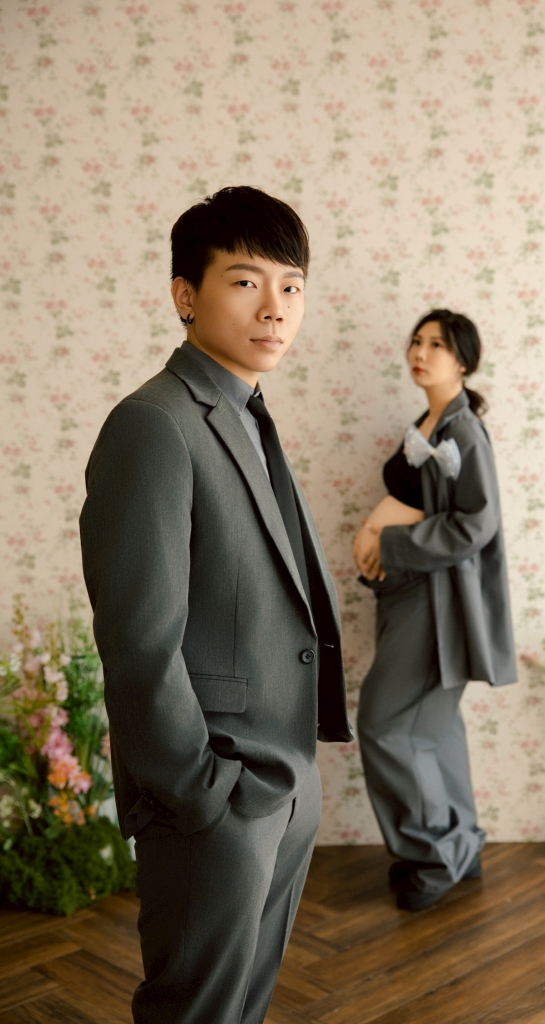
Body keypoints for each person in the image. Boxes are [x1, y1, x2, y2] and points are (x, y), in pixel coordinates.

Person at [80, 186, 352, 1023]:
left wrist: (289, 780)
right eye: (245, 281)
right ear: (185, 295)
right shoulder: (154, 424)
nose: (276, 307)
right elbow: (138, 640)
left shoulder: (244, 412)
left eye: (292, 285)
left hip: (281, 777)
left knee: (241, 1007)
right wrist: (201, 794)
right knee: (196, 1010)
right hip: (217, 794)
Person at [353, 309, 516, 911]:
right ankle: (459, 847)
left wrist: (389, 541)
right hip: (410, 595)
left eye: (438, 345)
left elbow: (477, 523)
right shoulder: (427, 423)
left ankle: (430, 857)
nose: (421, 353)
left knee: (386, 725)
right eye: (417, 342)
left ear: (463, 360)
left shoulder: (463, 431)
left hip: (436, 601)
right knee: (434, 730)